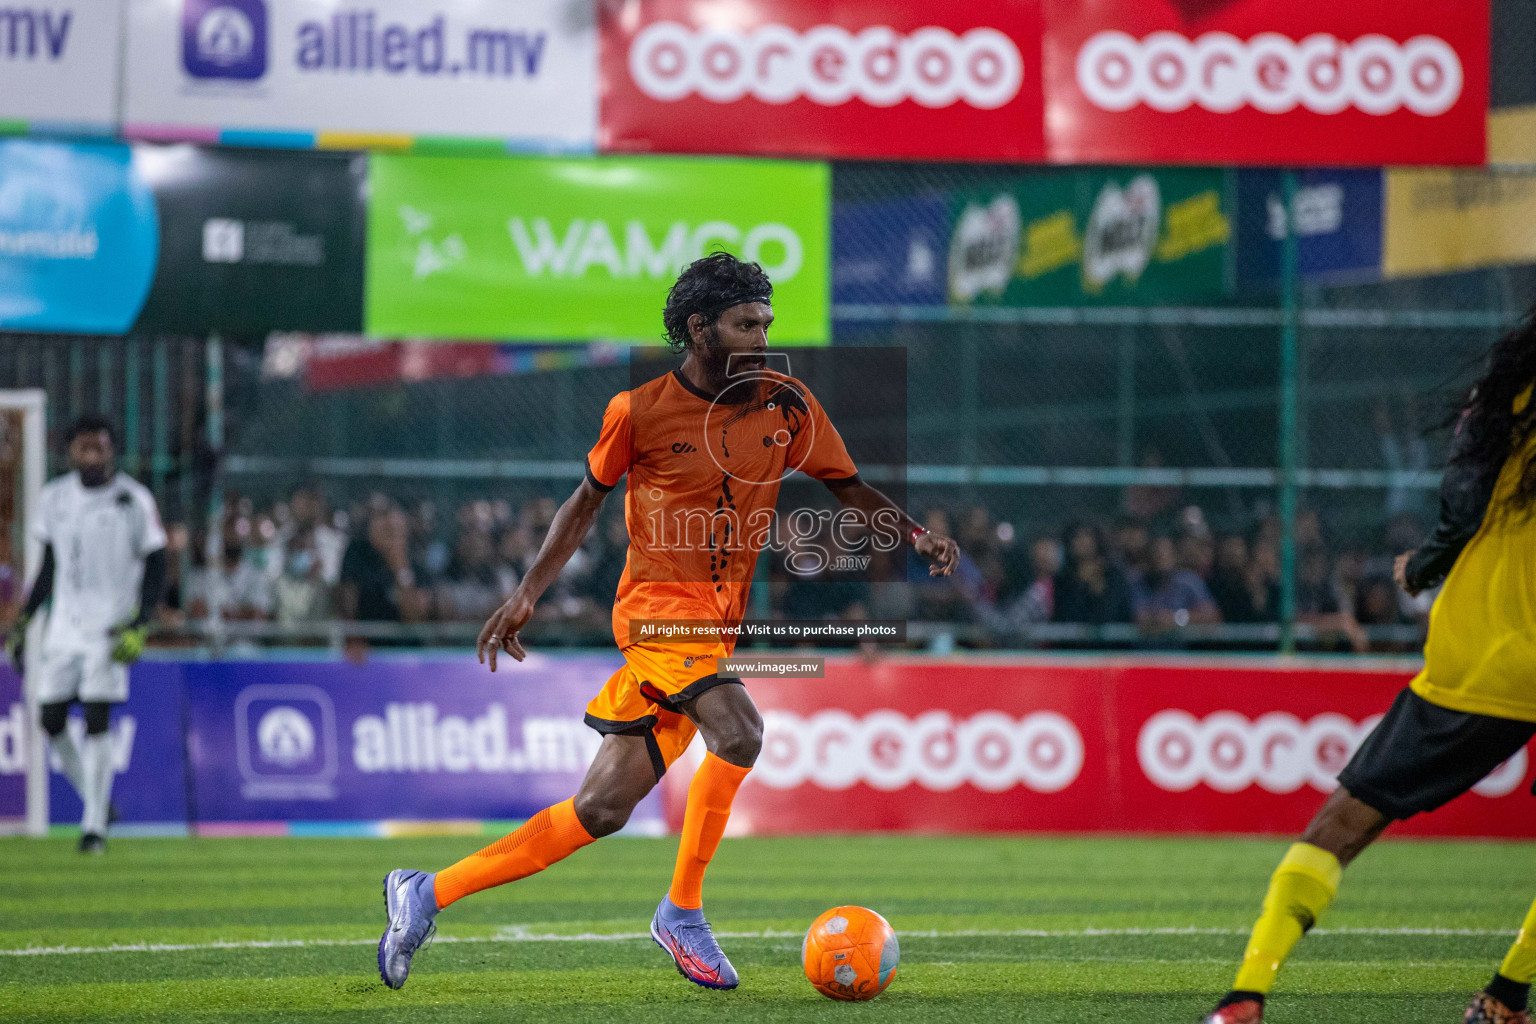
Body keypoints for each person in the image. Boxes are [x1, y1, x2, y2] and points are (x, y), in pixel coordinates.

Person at [375, 252, 959, 992]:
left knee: (600, 810)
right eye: (746, 324)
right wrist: (527, 593)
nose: (761, 337)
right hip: (656, 621)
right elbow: (583, 503)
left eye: (767, 323)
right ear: (699, 328)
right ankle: (682, 911)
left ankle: (424, 894)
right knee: (742, 730)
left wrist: (914, 537)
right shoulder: (639, 411)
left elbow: (852, 488)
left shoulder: (788, 406)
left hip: (710, 634)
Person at [1201, 317, 1536, 1024]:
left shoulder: (1510, 393)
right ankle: (1507, 995)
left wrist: (1428, 560)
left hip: (1487, 650)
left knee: (1345, 820)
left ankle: (1245, 998)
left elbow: (1467, 491)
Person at [5, 416, 166, 854]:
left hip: (109, 630)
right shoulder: (54, 498)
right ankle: (98, 802)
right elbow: (49, 567)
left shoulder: (133, 499)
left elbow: (156, 564)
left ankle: (93, 826)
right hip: (63, 630)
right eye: (84, 448)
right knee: (50, 720)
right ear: (70, 451)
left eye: (100, 447)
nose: (92, 455)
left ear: (112, 450)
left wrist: (140, 622)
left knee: (97, 719)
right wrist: (24, 623)